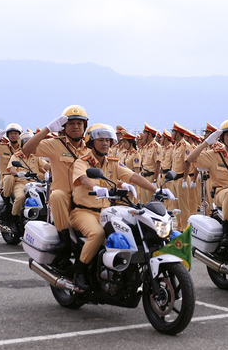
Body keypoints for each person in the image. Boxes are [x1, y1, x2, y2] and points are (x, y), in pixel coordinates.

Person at [70, 123, 175, 289]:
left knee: (131, 230)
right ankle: (80, 271)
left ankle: (124, 272)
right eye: (100, 140)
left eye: (107, 140)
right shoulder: (81, 162)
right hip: (84, 212)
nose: (105, 143)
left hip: (107, 211)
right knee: (97, 235)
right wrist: (96, 188)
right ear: (91, 143)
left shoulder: (113, 162)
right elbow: (83, 179)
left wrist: (158, 189)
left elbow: (134, 177)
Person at [22, 105, 90, 251]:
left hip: (86, 197)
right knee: (57, 195)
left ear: (85, 126)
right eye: (71, 123)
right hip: (64, 197)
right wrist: (47, 129)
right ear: (63, 127)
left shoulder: (90, 148)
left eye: (79, 123)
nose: (76, 127)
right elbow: (27, 149)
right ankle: (64, 241)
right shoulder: (54, 144)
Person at [186, 119, 228, 245]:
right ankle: (227, 231)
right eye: (227, 135)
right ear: (222, 138)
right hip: (221, 194)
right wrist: (205, 143)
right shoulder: (214, 155)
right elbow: (190, 158)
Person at [4, 131, 49, 226]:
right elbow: (11, 169)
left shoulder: (36, 156)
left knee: (46, 197)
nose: (29, 145)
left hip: (34, 183)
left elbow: (46, 165)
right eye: (26, 143)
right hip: (20, 183)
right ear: (21, 144)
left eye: (30, 142)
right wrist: (18, 174)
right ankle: (14, 220)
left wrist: (55, 168)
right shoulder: (16, 156)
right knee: (20, 198)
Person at [138, 123, 162, 204]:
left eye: (145, 133)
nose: (143, 135)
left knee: (152, 203)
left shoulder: (156, 147)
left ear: (149, 134)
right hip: (144, 177)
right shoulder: (145, 147)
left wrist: (154, 180)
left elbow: (158, 164)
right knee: (144, 203)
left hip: (151, 177)